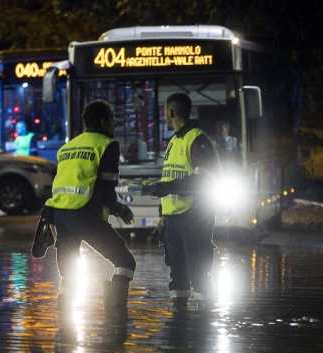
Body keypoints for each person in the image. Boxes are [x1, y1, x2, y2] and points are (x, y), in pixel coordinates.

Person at [36, 100, 136, 313]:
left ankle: (64, 329)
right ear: (103, 121)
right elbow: (107, 189)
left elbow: (60, 184)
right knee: (125, 262)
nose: (114, 125)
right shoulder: (108, 145)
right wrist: (119, 209)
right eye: (112, 120)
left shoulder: (67, 148)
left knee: (69, 273)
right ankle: (115, 317)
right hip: (86, 215)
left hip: (60, 216)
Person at [142, 93, 221, 308]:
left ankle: (204, 325)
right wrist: (163, 217)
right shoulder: (175, 140)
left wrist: (166, 188)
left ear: (170, 112)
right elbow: (170, 177)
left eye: (165, 112)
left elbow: (203, 179)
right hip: (174, 218)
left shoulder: (197, 139)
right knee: (177, 273)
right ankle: (179, 327)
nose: (164, 116)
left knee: (198, 271)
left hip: (194, 216)